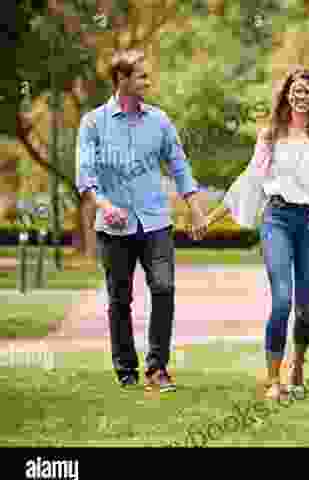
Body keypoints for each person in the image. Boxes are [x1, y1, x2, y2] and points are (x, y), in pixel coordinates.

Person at [205, 66, 309, 400]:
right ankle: (273, 380)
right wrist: (212, 218)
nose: (300, 96)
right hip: (278, 219)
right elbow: (249, 182)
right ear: (286, 94)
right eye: (294, 90)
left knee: (305, 306)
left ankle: (297, 365)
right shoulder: (271, 136)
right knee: (283, 299)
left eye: (307, 91)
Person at [75, 48, 208, 392]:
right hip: (113, 228)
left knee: (164, 289)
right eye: (142, 76)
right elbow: (86, 176)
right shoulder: (93, 123)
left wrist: (195, 206)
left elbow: (179, 166)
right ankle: (126, 369)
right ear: (121, 80)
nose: (148, 82)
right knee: (120, 300)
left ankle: (157, 367)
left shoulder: (160, 121)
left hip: (155, 223)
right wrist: (104, 205)